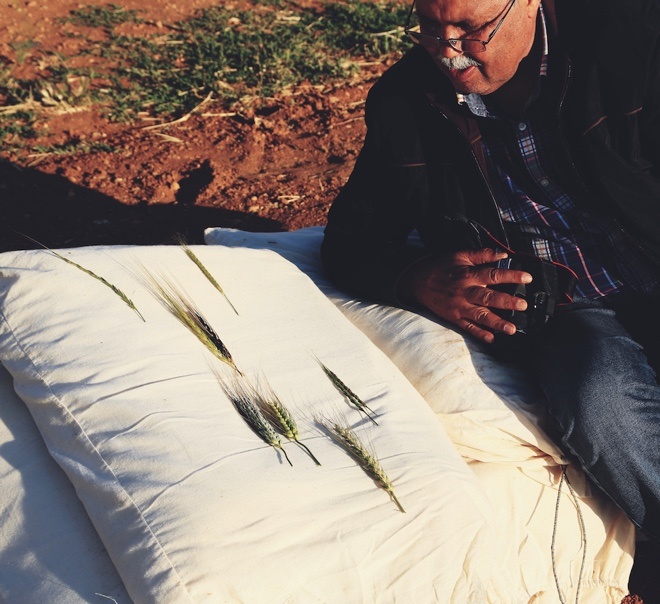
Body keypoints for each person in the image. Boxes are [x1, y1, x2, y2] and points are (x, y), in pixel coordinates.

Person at [321, 0, 660, 543]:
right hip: (571, 305)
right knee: (599, 402)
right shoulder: (406, 104)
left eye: (473, 29)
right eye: (430, 29)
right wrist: (414, 277)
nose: (449, 53)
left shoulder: (635, 45)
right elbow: (351, 241)